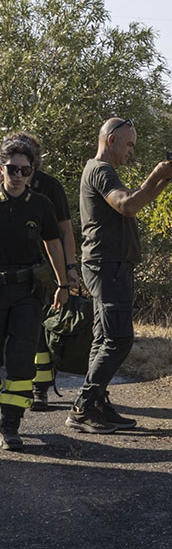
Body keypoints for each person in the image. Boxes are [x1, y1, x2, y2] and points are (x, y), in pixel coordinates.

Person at [66, 118, 172, 434]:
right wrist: (155, 175)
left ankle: (98, 403)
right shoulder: (101, 171)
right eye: (129, 144)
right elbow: (127, 206)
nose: (131, 151)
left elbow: (133, 205)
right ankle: (84, 407)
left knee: (103, 337)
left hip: (110, 264)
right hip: (107, 264)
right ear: (112, 139)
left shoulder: (101, 170)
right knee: (119, 338)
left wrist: (162, 181)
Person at [1, 132, 80, 411]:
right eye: (13, 168)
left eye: (25, 169)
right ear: (3, 167)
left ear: (35, 166)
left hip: (33, 283)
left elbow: (59, 237)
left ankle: (26, 405)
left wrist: (66, 277)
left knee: (31, 345)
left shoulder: (46, 194)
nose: (19, 174)